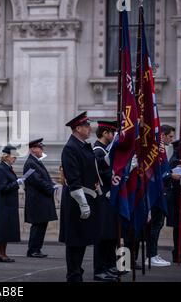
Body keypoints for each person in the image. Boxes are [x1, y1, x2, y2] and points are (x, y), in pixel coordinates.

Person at [59, 112, 101, 282]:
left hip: (88, 196)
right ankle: (74, 275)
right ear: (77, 128)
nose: (89, 128)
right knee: (75, 240)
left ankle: (77, 272)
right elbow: (73, 179)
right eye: (86, 126)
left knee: (82, 239)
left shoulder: (82, 145)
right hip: (77, 200)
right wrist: (83, 204)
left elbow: (90, 170)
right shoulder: (71, 148)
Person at [144, 124, 178, 267]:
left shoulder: (162, 148)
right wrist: (171, 174)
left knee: (158, 225)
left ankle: (154, 254)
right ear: (162, 135)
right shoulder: (158, 148)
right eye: (170, 136)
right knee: (155, 225)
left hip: (161, 192)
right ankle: (150, 256)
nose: (172, 139)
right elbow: (158, 172)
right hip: (156, 193)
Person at [92, 121, 120, 281]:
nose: (114, 135)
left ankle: (109, 265)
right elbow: (103, 174)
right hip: (103, 198)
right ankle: (100, 269)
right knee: (102, 237)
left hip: (110, 198)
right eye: (112, 132)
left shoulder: (105, 151)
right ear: (105, 133)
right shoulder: (98, 151)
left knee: (111, 235)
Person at [24, 138, 58, 258]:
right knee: (38, 226)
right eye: (40, 148)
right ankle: (33, 250)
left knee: (41, 225)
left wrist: (51, 183)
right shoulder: (30, 163)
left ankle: (36, 249)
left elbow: (42, 178)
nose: (41, 150)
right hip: (37, 201)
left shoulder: (36, 162)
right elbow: (36, 181)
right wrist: (50, 188)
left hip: (41, 200)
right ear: (33, 149)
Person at [0, 146, 22, 262]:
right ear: (6, 157)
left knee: (5, 230)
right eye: (13, 156)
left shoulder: (7, 168)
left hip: (8, 204)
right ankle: (1, 254)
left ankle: (2, 254)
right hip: (3, 204)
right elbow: (3, 188)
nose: (15, 158)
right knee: (2, 230)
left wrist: (16, 182)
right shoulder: (1, 169)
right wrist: (16, 183)